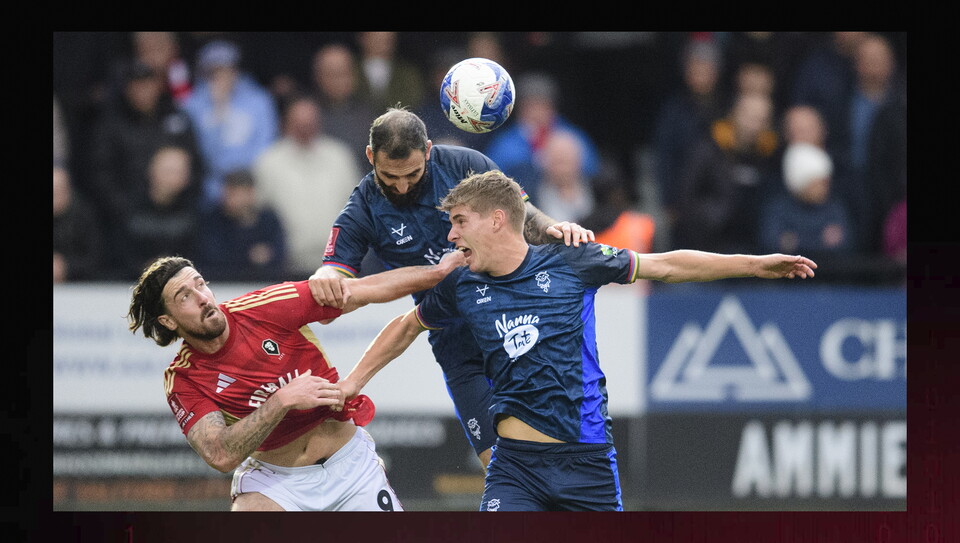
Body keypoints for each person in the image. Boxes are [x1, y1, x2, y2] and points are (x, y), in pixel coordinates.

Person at [330, 170, 818, 511]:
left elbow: (667, 264)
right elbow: (407, 326)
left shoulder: (572, 261)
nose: (452, 235)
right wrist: (353, 381)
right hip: (515, 465)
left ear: (497, 218)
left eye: (459, 222)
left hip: (586, 462)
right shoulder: (462, 284)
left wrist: (754, 264)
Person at [308, 108, 594, 471]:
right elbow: (335, 270)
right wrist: (325, 277)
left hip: (513, 325)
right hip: (455, 344)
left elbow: (526, 217)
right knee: (501, 466)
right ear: (370, 157)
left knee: (557, 457)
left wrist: (556, 228)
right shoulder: (363, 206)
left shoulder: (466, 165)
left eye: (412, 174)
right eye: (389, 176)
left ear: (428, 150)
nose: (401, 186)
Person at [126, 249, 466, 511]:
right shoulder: (183, 378)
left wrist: (436, 274)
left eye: (200, 284)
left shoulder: (264, 307)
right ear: (168, 321)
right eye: (184, 296)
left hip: (351, 467)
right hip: (278, 484)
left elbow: (364, 289)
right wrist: (281, 401)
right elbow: (220, 455)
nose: (201, 298)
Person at [87, 58, 202, 278]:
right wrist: (124, 208)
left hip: (178, 210)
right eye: (137, 85)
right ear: (127, 89)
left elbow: (196, 166)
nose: (143, 91)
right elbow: (101, 172)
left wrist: (185, 200)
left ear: (158, 86)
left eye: (148, 84)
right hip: (127, 214)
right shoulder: (111, 122)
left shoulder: (176, 116)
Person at [252, 94, 360, 276]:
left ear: (319, 122)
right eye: (299, 123)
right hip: (286, 267)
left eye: (310, 122)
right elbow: (260, 213)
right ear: (286, 123)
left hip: (339, 265)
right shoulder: (268, 162)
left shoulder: (339, 156)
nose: (305, 128)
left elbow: (359, 209)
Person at [670, 91, 779, 254]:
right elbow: (686, 197)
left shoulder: (769, 156)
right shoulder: (709, 148)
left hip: (751, 246)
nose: (754, 125)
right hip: (707, 244)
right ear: (734, 114)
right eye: (750, 117)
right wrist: (711, 218)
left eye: (762, 120)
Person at [182, 39, 279, 210]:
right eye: (214, 71)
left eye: (227, 69)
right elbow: (197, 152)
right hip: (210, 190)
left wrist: (240, 181)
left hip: (251, 184)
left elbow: (266, 144)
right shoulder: (191, 105)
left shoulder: (259, 100)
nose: (222, 76)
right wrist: (218, 110)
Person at [483, 71, 602, 202]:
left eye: (543, 105)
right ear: (521, 108)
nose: (537, 112)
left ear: (552, 107)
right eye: (531, 106)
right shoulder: (505, 141)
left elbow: (593, 170)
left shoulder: (572, 136)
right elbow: (491, 177)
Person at [120, 145, 201, 278]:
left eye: (178, 172)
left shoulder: (195, 212)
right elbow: (119, 252)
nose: (172, 178)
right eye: (168, 171)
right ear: (151, 171)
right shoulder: (129, 208)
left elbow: (200, 255)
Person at [759, 142, 853, 257]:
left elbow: (844, 242)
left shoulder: (835, 208)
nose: (825, 188)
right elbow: (772, 243)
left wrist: (795, 240)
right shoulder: (779, 208)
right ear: (802, 184)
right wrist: (820, 240)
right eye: (818, 183)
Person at [196, 168, 288, 282]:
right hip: (224, 284)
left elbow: (279, 252)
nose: (227, 200)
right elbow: (211, 256)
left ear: (250, 193)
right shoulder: (213, 219)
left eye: (234, 194)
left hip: (264, 282)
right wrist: (249, 256)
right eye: (226, 193)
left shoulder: (269, 219)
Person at [310, 42, 378, 173]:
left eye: (342, 73)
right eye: (331, 74)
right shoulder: (307, 116)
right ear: (317, 77)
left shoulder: (370, 118)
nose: (337, 81)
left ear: (353, 76)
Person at [354, 31, 426, 114]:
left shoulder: (408, 73)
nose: (382, 41)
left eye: (387, 37)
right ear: (362, 38)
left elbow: (415, 101)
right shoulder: (349, 69)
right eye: (377, 37)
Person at [53, 165, 104, 283]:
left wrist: (67, 267)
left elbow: (95, 258)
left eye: (58, 191)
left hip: (79, 286)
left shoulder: (84, 216)